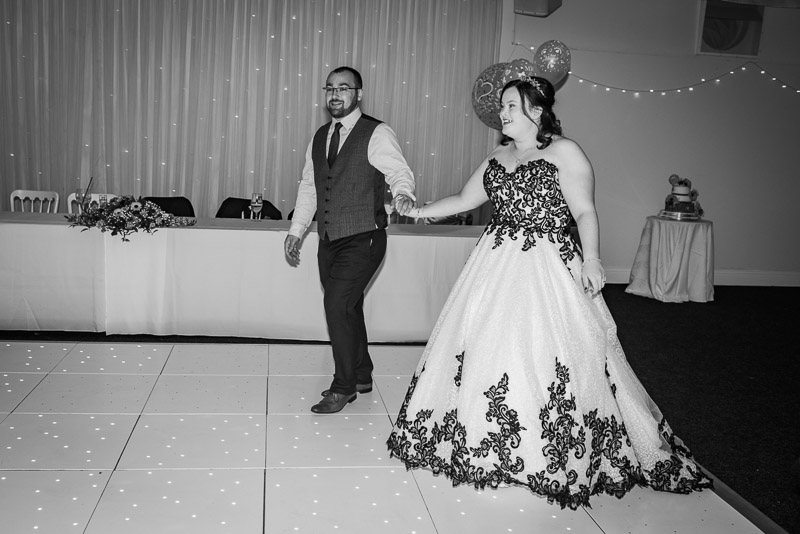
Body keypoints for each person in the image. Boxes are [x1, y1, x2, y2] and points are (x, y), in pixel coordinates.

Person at [386, 75, 712, 508]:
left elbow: (585, 210)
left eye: (511, 106)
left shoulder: (565, 152)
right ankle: (486, 440)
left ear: (537, 111)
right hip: (495, 263)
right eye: (502, 106)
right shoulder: (498, 156)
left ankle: (549, 449)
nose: (502, 113)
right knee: (486, 345)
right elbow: (464, 200)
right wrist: (417, 211)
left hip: (548, 263)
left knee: (548, 349)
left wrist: (592, 259)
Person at [284, 66, 415, 414]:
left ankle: (343, 387)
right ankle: (361, 374)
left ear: (358, 94)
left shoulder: (376, 132)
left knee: (337, 305)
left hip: (364, 238)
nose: (335, 94)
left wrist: (403, 193)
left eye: (343, 88)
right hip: (329, 238)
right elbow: (310, 186)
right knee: (348, 306)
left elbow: (399, 171)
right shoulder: (320, 136)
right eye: (330, 88)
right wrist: (297, 230)